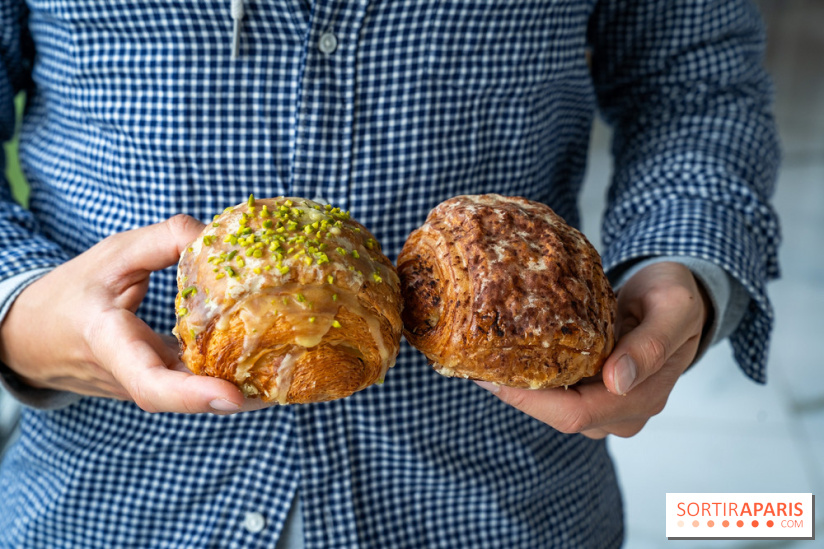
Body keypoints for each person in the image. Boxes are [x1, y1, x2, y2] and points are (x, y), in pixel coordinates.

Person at [0, 0, 779, 547]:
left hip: (499, 497)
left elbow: (696, 81)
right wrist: (20, 308)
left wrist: (684, 264)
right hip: (107, 494)